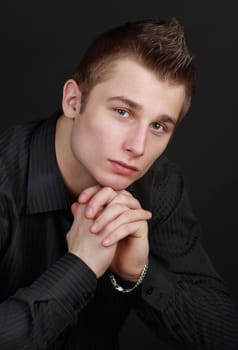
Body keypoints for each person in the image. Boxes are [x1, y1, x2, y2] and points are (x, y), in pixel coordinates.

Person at [0, 17, 237, 350]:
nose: (138, 148)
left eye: (158, 126)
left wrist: (138, 273)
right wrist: (80, 269)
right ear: (73, 101)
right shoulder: (4, 179)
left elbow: (224, 335)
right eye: (123, 112)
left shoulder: (158, 184)